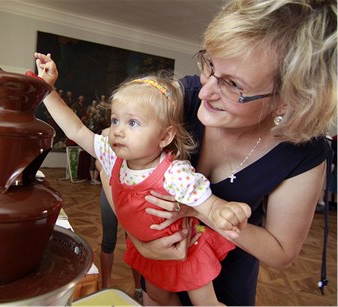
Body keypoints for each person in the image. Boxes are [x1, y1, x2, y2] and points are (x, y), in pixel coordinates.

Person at [109, 0, 335, 305]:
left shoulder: (303, 154)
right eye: (210, 66)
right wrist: (142, 242)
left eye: (232, 85)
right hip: (160, 274)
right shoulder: (182, 98)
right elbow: (110, 165)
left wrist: (201, 209)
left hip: (224, 286)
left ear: (286, 100)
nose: (205, 92)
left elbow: (281, 253)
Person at [34, 52, 251, 306]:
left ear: (164, 136)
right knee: (159, 298)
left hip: (185, 252)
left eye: (133, 122)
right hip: (151, 251)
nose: (118, 130)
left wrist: (225, 211)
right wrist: (47, 90)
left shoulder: (174, 173)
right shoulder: (112, 155)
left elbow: (209, 204)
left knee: (206, 303)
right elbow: (76, 129)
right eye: (115, 120)